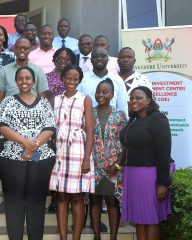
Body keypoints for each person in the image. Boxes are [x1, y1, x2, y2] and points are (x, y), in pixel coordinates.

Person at [0, 66, 56, 240]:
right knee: (14, 200)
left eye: (28, 78)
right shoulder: (8, 101)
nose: (24, 81)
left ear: (34, 81)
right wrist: (26, 144)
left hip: (41, 158)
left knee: (36, 201)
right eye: (20, 78)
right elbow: (1, 126)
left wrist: (33, 146)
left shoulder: (43, 102)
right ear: (16, 81)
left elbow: (50, 128)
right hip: (12, 159)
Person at [120, 86, 172, 240]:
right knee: (139, 219)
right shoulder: (134, 119)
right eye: (132, 98)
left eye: (139, 98)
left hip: (149, 174)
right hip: (132, 173)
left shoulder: (158, 118)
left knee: (150, 218)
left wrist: (163, 183)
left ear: (149, 100)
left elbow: (164, 151)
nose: (134, 101)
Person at [49, 65, 95, 240]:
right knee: (61, 195)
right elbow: (51, 127)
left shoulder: (85, 99)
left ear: (79, 81)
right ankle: (63, 237)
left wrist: (86, 159)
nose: (71, 81)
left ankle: (76, 237)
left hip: (78, 150)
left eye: (75, 79)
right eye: (68, 78)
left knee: (77, 196)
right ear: (62, 78)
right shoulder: (56, 99)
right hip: (60, 151)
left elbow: (90, 130)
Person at [90, 78, 127, 240]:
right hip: (94, 165)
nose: (101, 94)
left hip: (113, 166)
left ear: (112, 94)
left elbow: (125, 142)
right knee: (94, 201)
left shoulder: (120, 114)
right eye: (98, 91)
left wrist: (118, 164)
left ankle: (113, 237)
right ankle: (97, 236)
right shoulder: (89, 112)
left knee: (112, 202)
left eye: (105, 92)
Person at [0, 37, 49, 103]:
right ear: (14, 49)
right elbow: (0, 99)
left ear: (30, 49)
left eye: (25, 48)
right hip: (10, 110)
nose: (22, 50)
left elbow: (42, 99)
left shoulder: (38, 71)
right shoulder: (5, 70)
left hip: (32, 110)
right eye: (19, 48)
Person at [78, 47, 128, 114]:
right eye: (95, 56)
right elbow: (78, 104)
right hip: (87, 121)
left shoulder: (117, 80)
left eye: (103, 56)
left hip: (112, 122)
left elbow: (123, 108)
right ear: (91, 60)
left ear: (108, 59)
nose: (99, 59)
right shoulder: (82, 78)